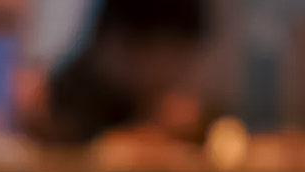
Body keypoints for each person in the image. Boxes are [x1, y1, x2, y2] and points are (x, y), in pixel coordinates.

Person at [31, 0, 210, 145]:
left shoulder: (151, 101)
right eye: (147, 51)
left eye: (181, 55)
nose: (167, 71)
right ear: (111, 40)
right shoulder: (64, 96)